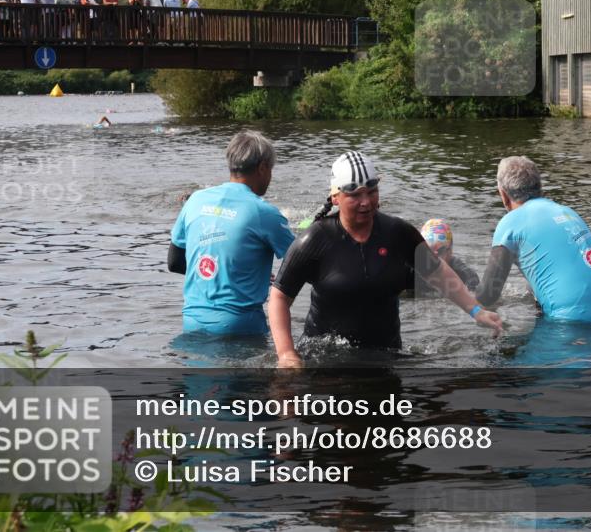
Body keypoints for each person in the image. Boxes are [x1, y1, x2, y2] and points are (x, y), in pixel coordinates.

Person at [268, 151, 502, 366]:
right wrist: (286, 353)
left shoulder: (397, 233)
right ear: (336, 197)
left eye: (372, 191)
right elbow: (279, 297)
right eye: (355, 194)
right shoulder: (315, 239)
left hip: (386, 357)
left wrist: (476, 311)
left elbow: (438, 271)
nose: (366, 202)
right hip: (325, 361)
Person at [476, 156, 591, 323]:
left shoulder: (509, 224)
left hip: (575, 322)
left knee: (501, 346)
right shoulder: (566, 211)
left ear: (503, 195)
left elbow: (487, 296)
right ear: (540, 187)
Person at [169, 130, 295, 335]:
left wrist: (227, 274)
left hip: (191, 324)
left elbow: (174, 263)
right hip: (240, 327)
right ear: (263, 168)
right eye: (271, 169)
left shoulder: (195, 200)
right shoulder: (264, 212)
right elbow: (304, 264)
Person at [414, 219, 479, 298]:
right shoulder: (414, 271)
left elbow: (473, 287)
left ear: (450, 251)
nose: (433, 258)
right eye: (429, 251)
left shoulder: (462, 272)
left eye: (440, 251)